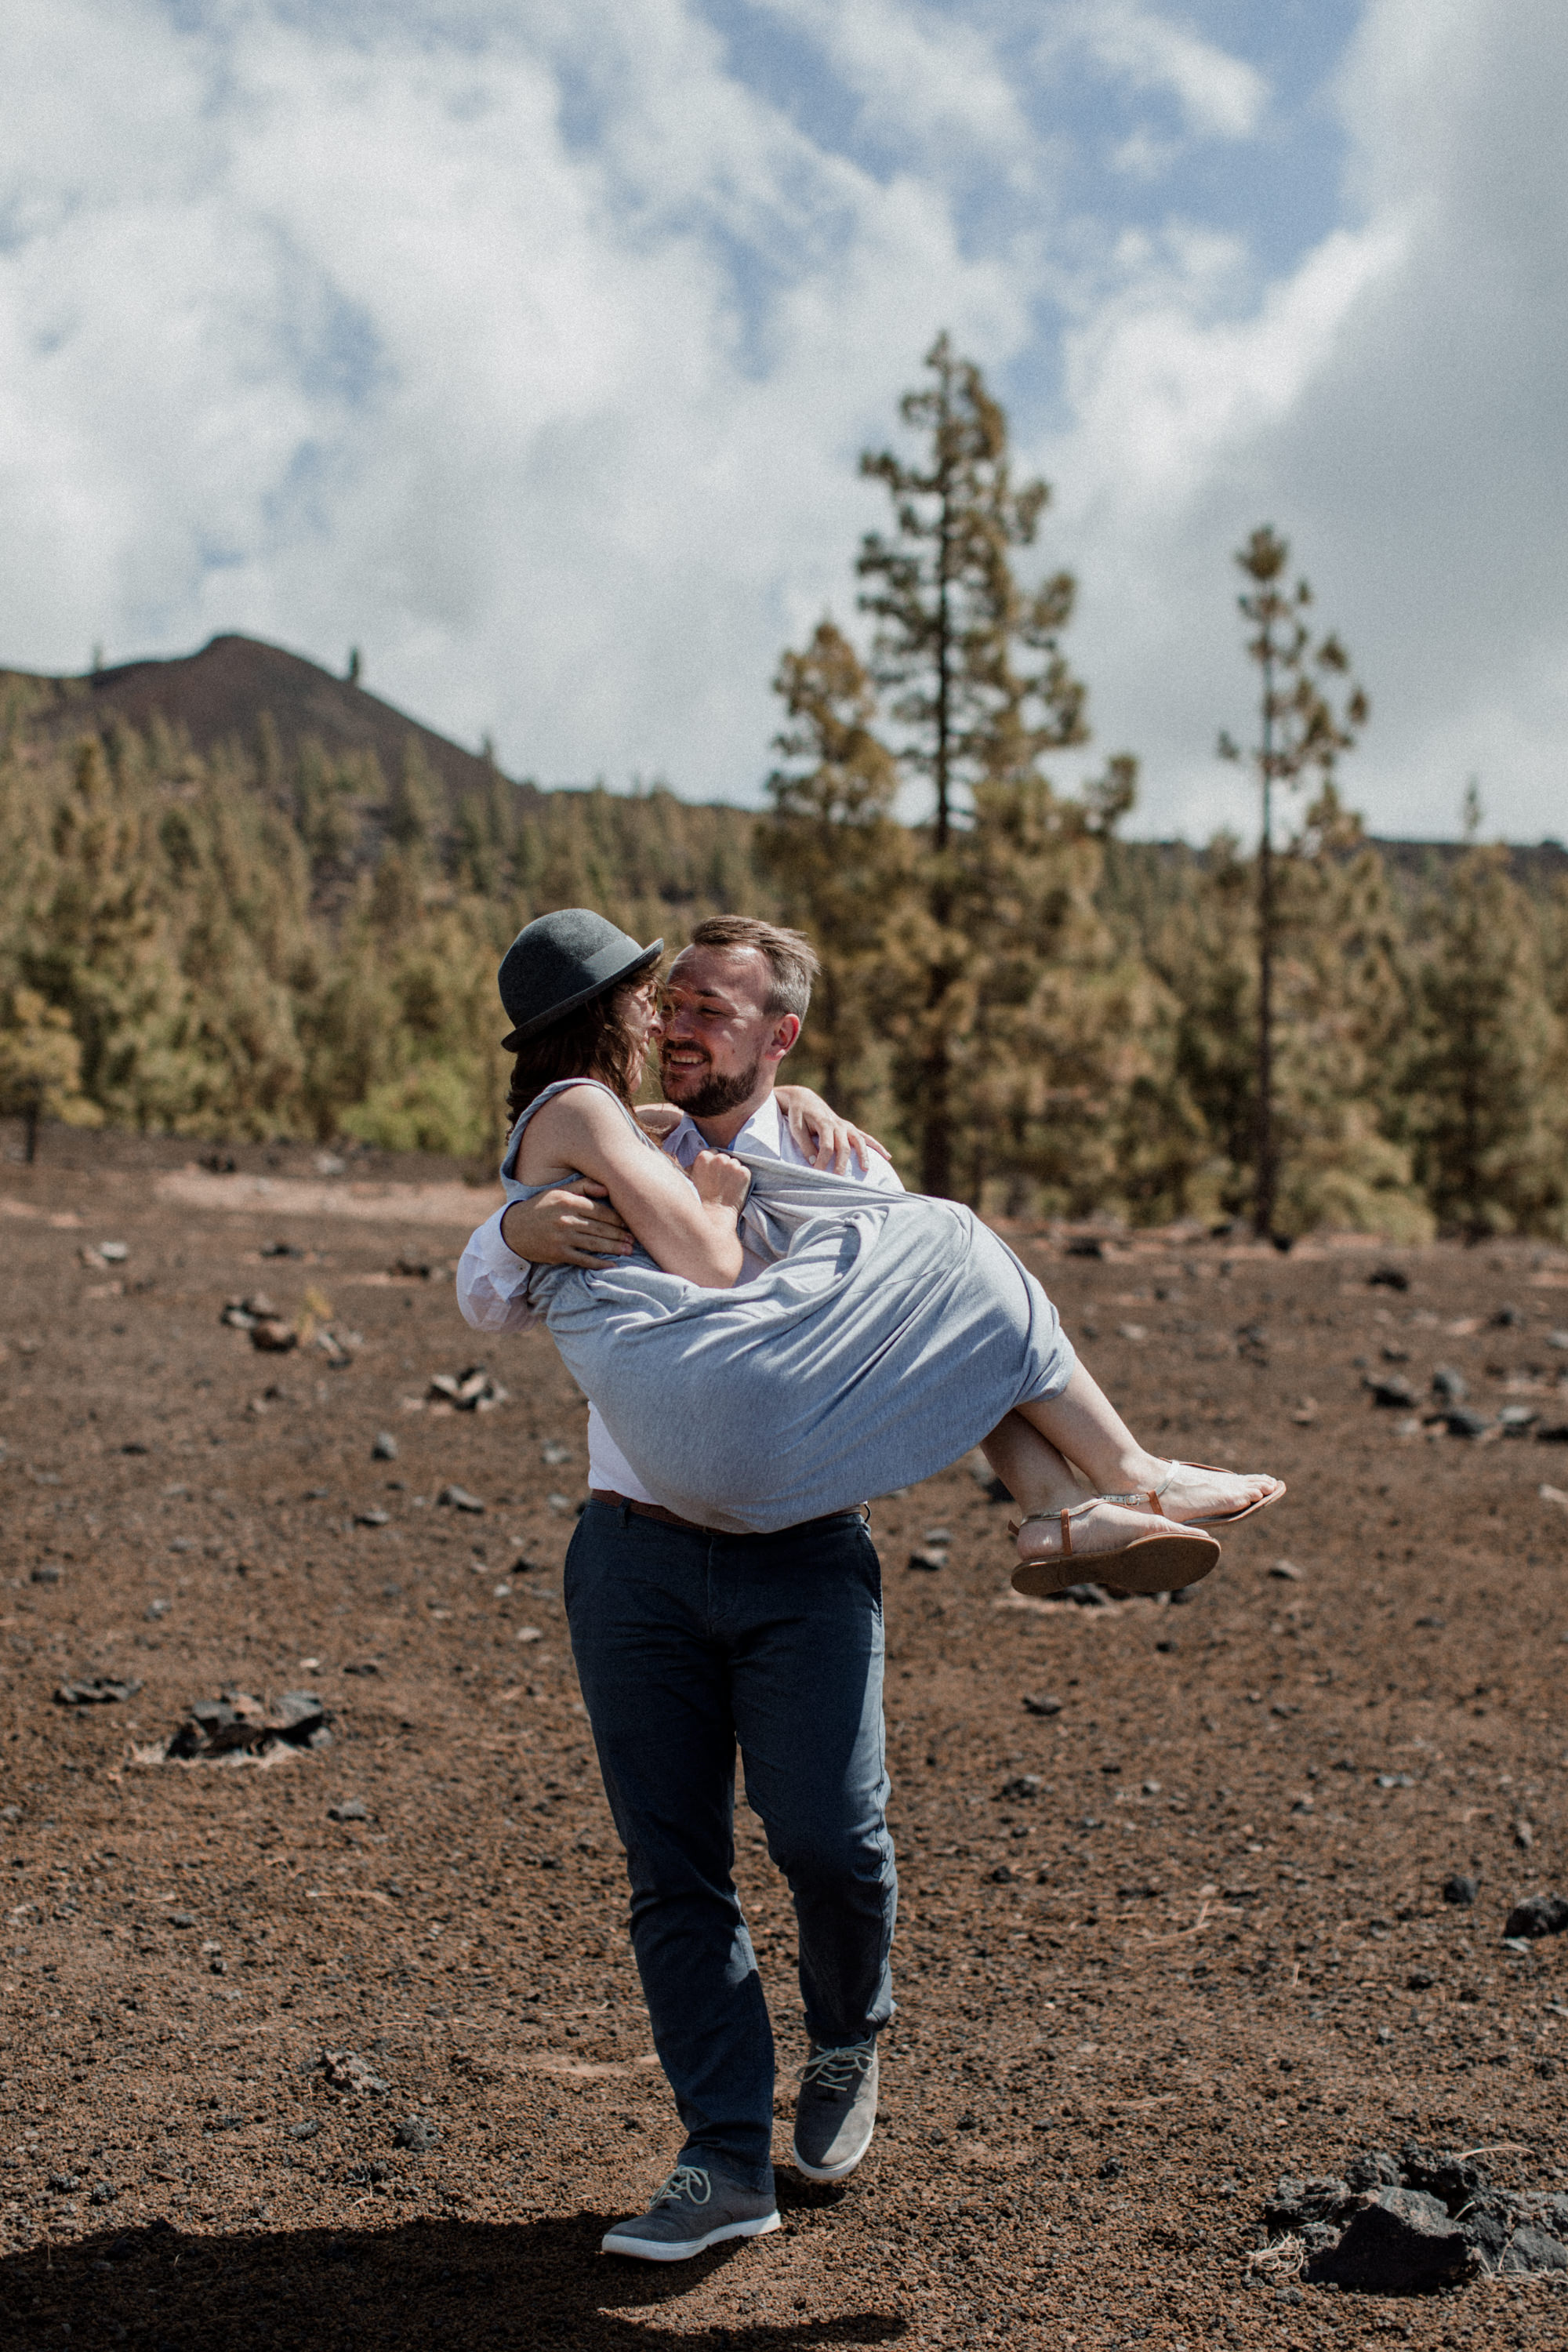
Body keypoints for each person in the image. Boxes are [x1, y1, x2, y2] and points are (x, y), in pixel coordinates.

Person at [458, 909, 1282, 2259]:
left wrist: (740, 1177)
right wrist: (514, 1234)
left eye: (713, 1008)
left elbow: (924, 1346)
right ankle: (723, 2159)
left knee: (833, 1840)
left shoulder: (839, 1156)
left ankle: (846, 2042)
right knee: (675, 1872)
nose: (680, 1023)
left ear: (781, 1038)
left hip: (801, 1561)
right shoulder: (618, 1140)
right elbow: (479, 1294)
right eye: (668, 1004)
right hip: (635, 1557)